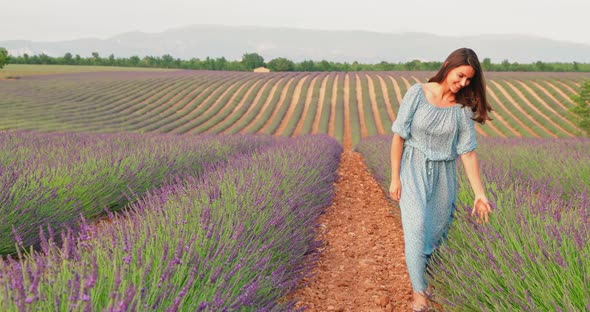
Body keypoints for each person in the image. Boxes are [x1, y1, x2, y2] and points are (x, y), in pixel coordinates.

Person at [388, 48, 492, 311]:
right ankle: (419, 294)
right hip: (412, 168)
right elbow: (398, 136)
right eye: (460, 76)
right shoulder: (417, 93)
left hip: (444, 176)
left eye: (469, 80)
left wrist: (480, 194)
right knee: (416, 227)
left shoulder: (462, 109)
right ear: (448, 66)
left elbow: (467, 153)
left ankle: (427, 277)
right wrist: (394, 178)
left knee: (435, 234)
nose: (463, 83)